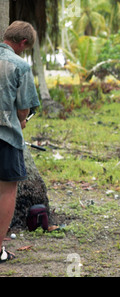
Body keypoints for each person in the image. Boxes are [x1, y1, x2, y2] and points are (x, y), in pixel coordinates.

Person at [0, 21, 41, 263]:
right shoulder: (20, 66)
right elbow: (23, 111)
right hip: (5, 136)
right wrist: (22, 120)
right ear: (23, 43)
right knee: (6, 190)